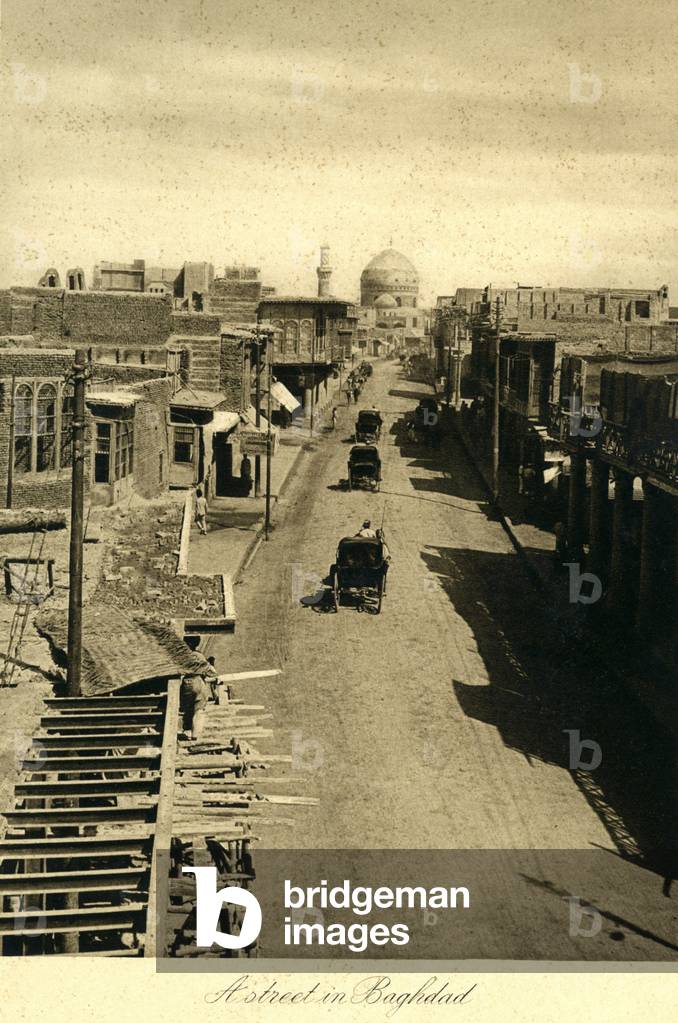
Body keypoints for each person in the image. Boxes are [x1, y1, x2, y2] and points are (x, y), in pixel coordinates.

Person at [180, 674, 209, 741]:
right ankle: (195, 734)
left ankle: (188, 731)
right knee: (199, 710)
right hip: (198, 682)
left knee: (188, 709)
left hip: (185, 684)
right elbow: (212, 673)